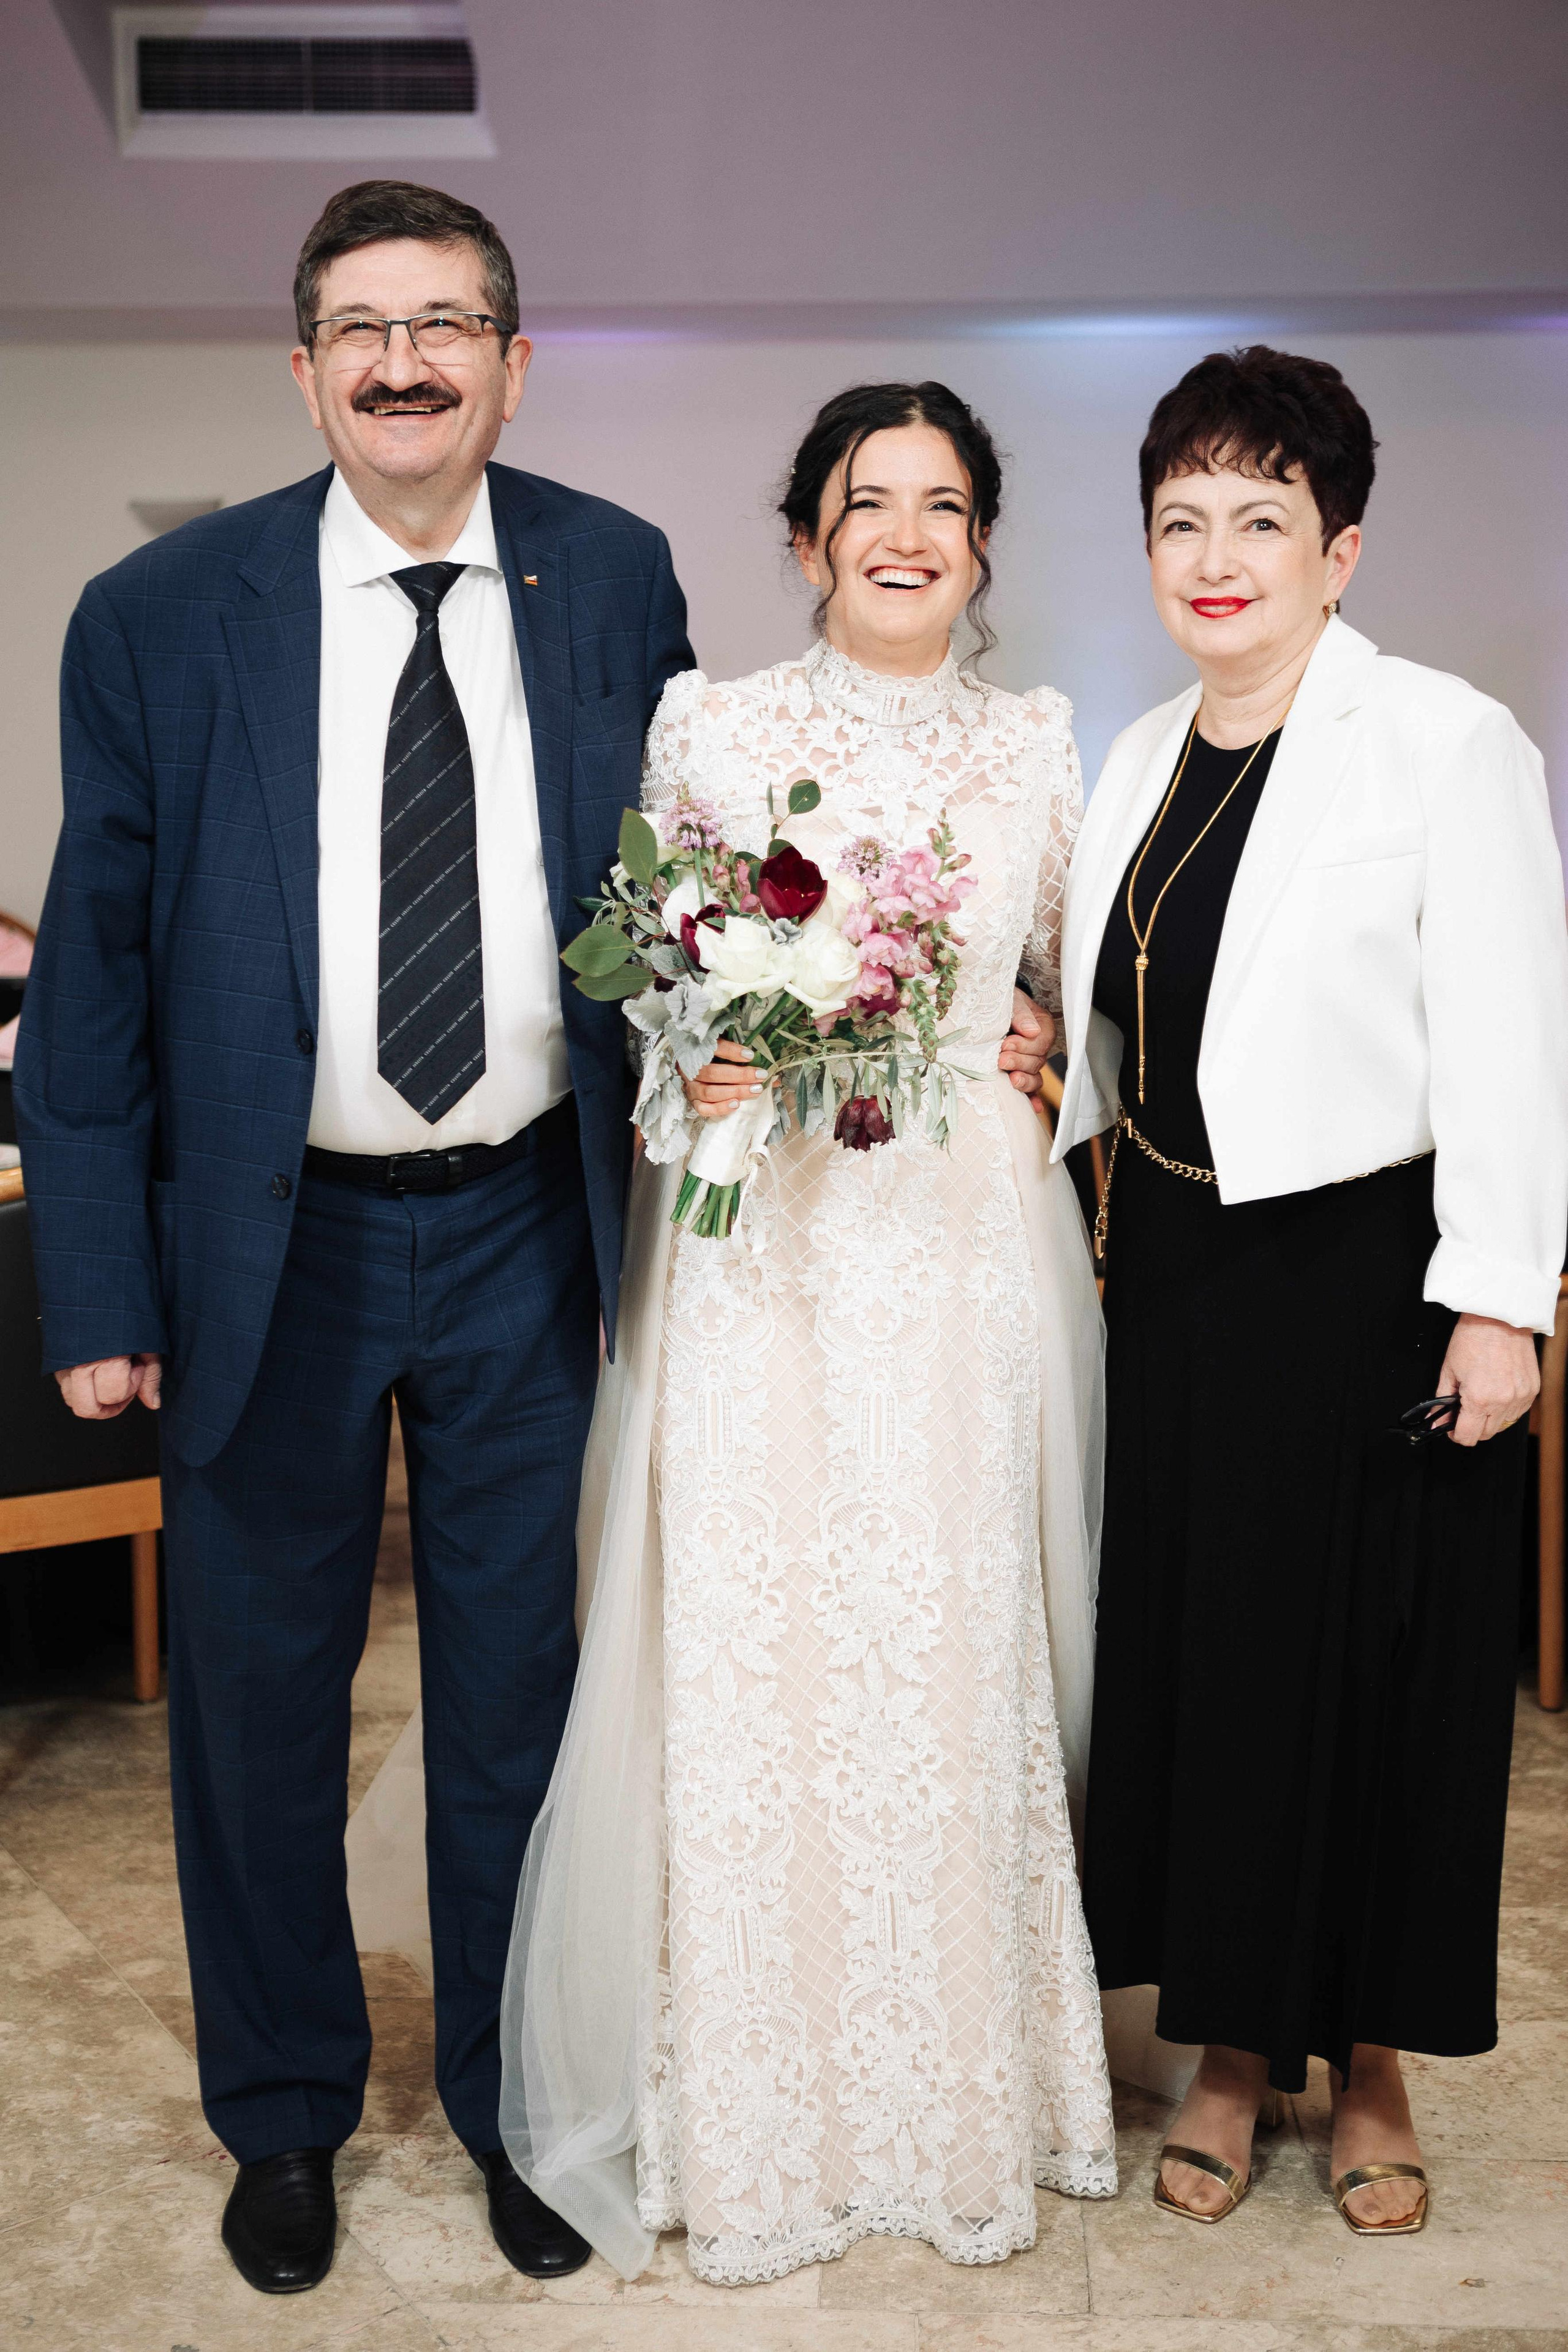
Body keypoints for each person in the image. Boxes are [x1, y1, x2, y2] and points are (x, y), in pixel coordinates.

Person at [13, 179, 695, 2294]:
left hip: (521, 1230)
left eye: (447, 322)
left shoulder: (613, 577)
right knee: (254, 1705)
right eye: (362, 326)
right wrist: (102, 1288)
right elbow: (97, 978)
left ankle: (509, 2107)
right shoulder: (161, 613)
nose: (405, 359)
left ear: (513, 354)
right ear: (302, 367)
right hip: (263, 1247)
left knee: (517, 1702)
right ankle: (287, 2114)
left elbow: (682, 906)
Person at [494, 380, 1117, 2286]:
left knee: (936, 1648)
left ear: (984, 541)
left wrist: (1052, 1057)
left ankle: (958, 2094)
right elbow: (644, 974)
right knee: (755, 1650)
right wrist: (714, 1052)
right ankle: (743, 2094)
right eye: (870, 501)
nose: (907, 533)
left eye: (943, 502)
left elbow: (1105, 996)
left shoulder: (1037, 745)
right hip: (760, 1241)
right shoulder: (717, 723)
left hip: (951, 1253)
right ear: (807, 536)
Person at [1054, 346, 1568, 2234]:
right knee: (1210, 1673)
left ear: (1339, 549)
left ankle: (1371, 2066)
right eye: (1181, 519)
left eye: (1261, 518)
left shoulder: (1442, 738)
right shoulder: (1134, 754)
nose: (1216, 554)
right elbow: (1122, 1016)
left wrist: (1503, 1300)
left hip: (1379, 1277)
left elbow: (1519, 1033)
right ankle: (1230, 2044)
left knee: (1385, 1678)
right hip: (1180, 1270)